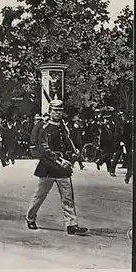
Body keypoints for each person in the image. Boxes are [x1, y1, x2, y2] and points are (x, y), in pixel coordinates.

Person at [25, 100, 88, 236]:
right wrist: (59, 160)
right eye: (55, 110)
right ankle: (30, 217)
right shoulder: (44, 127)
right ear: (50, 111)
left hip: (63, 167)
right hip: (48, 166)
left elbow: (68, 141)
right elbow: (44, 148)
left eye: (60, 110)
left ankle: (71, 224)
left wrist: (74, 151)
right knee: (40, 196)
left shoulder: (63, 126)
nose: (58, 113)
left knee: (67, 197)